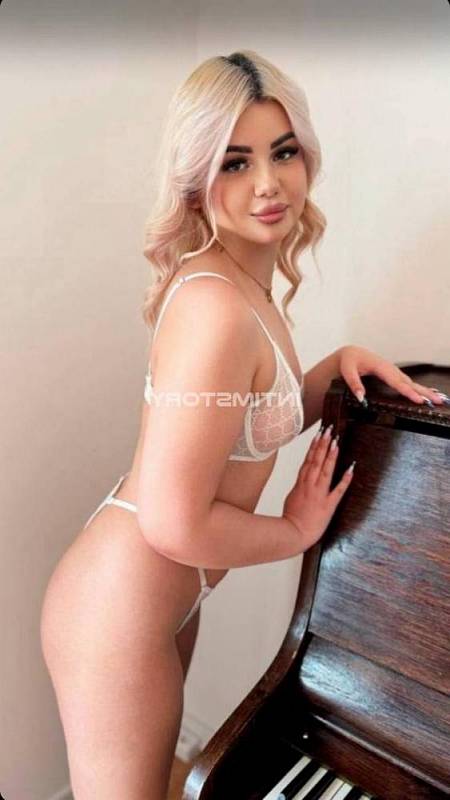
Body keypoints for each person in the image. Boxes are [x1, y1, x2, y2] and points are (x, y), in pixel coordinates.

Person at [39, 50, 446, 800]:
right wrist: (294, 530)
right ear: (196, 178)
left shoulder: (239, 283)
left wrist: (336, 367)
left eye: (282, 152)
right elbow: (173, 524)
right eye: (235, 162)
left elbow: (244, 418)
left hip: (158, 600)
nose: (268, 183)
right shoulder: (218, 309)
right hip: (116, 616)